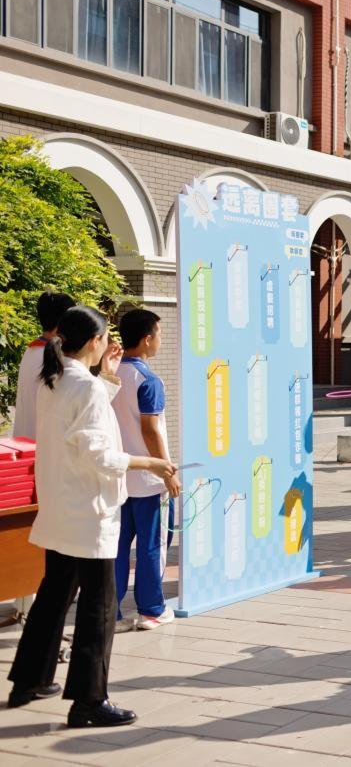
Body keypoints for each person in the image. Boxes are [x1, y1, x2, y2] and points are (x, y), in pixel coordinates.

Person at [6, 306, 175, 727]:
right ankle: (88, 700)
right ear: (95, 342)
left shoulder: (53, 379)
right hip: (90, 512)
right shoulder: (84, 387)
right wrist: (150, 464)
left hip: (61, 507)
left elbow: (82, 420)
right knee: (98, 608)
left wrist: (109, 378)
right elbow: (99, 453)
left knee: (53, 597)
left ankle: (29, 680)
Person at [111, 309, 180, 630]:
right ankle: (151, 609)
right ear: (146, 339)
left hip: (117, 477)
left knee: (117, 547)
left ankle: (109, 613)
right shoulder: (148, 380)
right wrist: (167, 471)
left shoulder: (108, 375)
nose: (160, 340)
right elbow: (151, 430)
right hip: (148, 481)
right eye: (159, 334)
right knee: (153, 546)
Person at [11, 292, 75, 440]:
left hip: (26, 441)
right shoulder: (56, 358)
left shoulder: (31, 351)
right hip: (45, 445)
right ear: (66, 320)